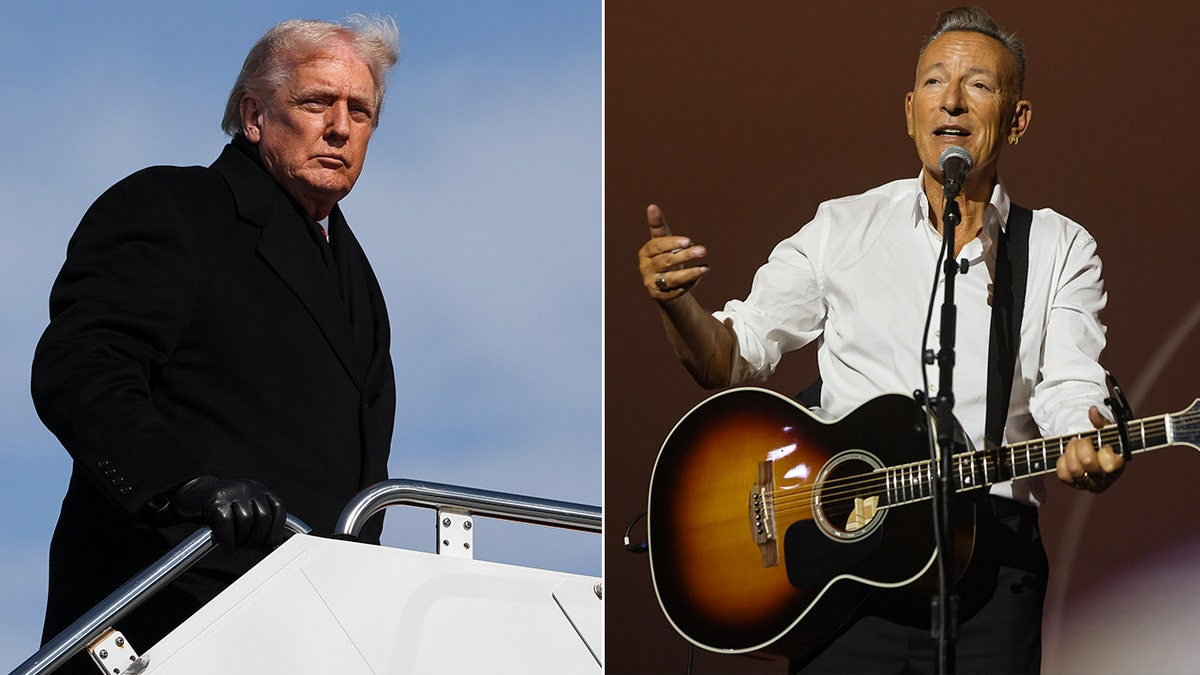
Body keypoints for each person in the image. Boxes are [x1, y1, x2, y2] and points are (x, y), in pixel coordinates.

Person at [637, 6, 1124, 674]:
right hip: (848, 567)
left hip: (990, 566)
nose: (950, 100)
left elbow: (1071, 388)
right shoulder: (842, 228)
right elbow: (730, 354)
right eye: (933, 82)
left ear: (1017, 118)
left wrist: (1086, 441)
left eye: (977, 84)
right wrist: (675, 304)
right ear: (908, 110)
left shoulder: (1060, 248)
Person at [31, 16, 399, 670]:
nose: (341, 127)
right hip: (167, 617)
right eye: (317, 102)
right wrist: (184, 485)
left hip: (313, 632)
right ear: (254, 115)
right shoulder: (170, 208)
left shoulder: (359, 278)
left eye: (361, 110)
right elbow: (79, 369)